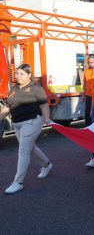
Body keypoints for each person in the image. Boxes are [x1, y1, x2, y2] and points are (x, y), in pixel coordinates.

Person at [0, 64, 53, 194]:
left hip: (32, 121)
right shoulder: (14, 88)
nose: (18, 76)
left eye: (22, 74)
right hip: (17, 123)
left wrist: (47, 118)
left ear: (29, 75)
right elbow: (7, 107)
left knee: (23, 150)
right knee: (30, 148)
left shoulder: (36, 88)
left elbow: (44, 105)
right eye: (17, 73)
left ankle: (18, 182)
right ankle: (47, 164)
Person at [83, 56, 94, 127]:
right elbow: (84, 83)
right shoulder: (86, 71)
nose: (91, 64)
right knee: (87, 111)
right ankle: (87, 127)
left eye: (92, 62)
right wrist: (83, 94)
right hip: (88, 95)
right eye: (89, 62)